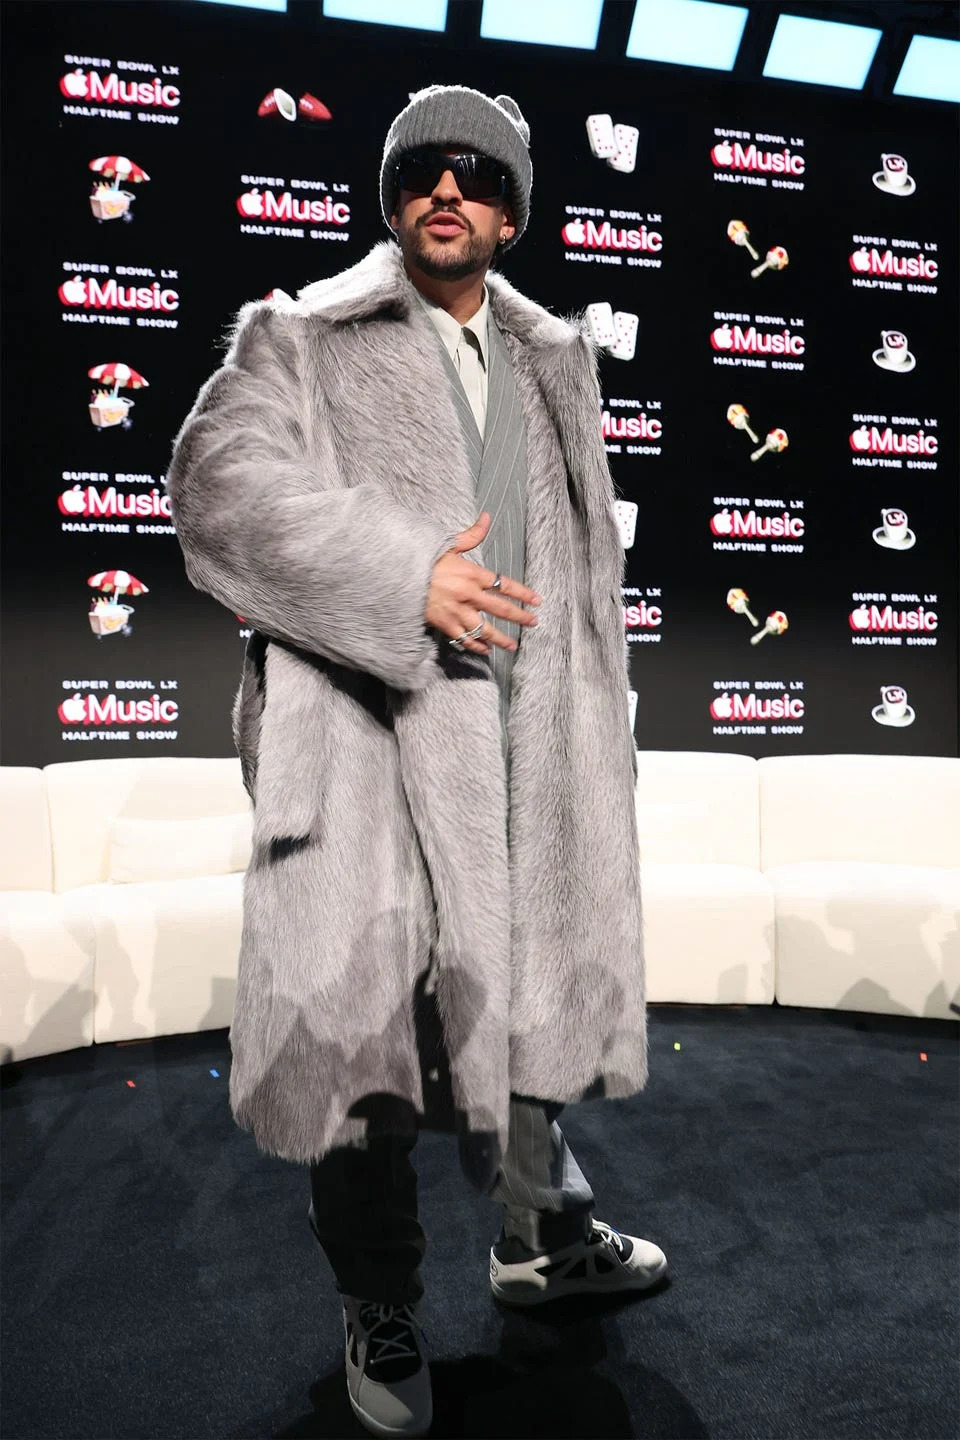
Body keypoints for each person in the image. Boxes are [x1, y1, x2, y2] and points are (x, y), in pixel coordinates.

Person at [166, 84, 666, 1439]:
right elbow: (215, 489)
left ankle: (539, 1233)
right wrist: (402, 584)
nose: (450, 192)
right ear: (393, 201)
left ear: (509, 211)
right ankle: (378, 1298)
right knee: (363, 1056)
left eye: (479, 174)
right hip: (368, 743)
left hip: (525, 737)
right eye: (423, 173)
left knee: (534, 996)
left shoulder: (559, 358)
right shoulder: (300, 333)